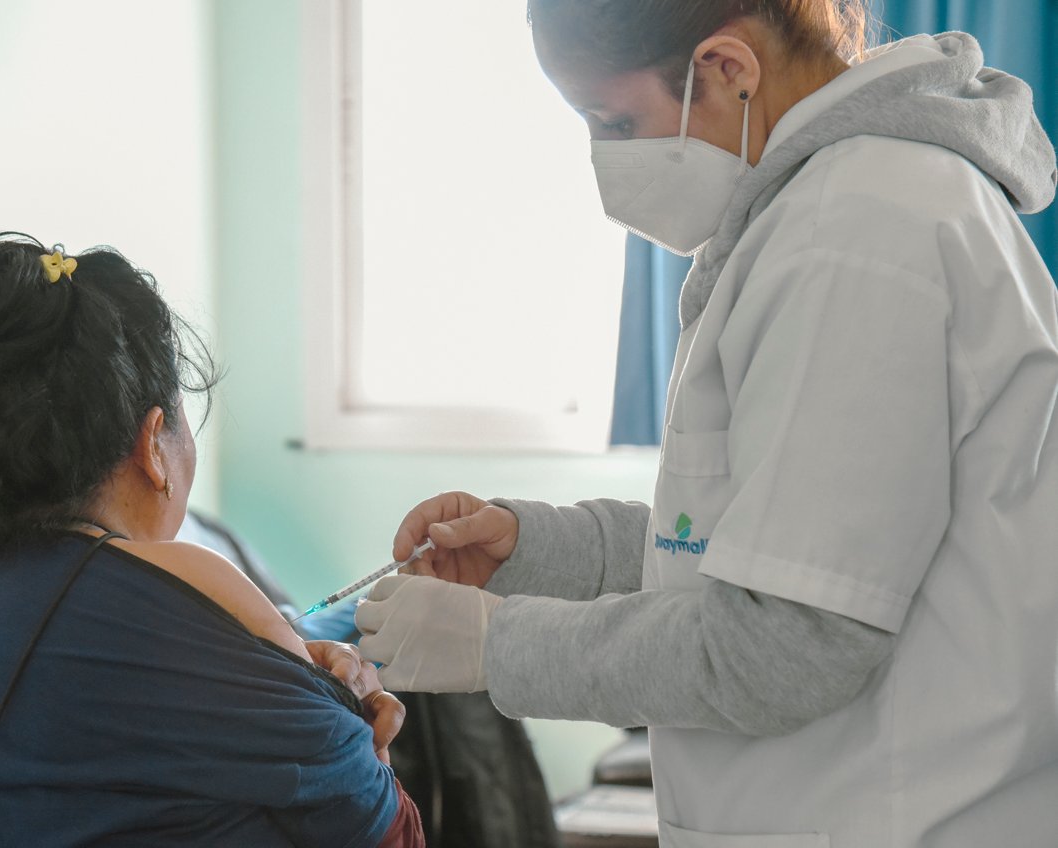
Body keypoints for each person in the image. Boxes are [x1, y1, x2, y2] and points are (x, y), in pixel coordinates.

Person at [355, 2, 1058, 846]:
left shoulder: (858, 231)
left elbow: (787, 644)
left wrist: (492, 647)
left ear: (727, 69)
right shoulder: (824, 211)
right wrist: (535, 549)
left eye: (616, 121)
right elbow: (754, 543)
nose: (606, 160)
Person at [0, 233, 423, 848]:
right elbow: (391, 834)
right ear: (154, 442)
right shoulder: (199, 587)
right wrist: (354, 722)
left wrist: (298, 684)